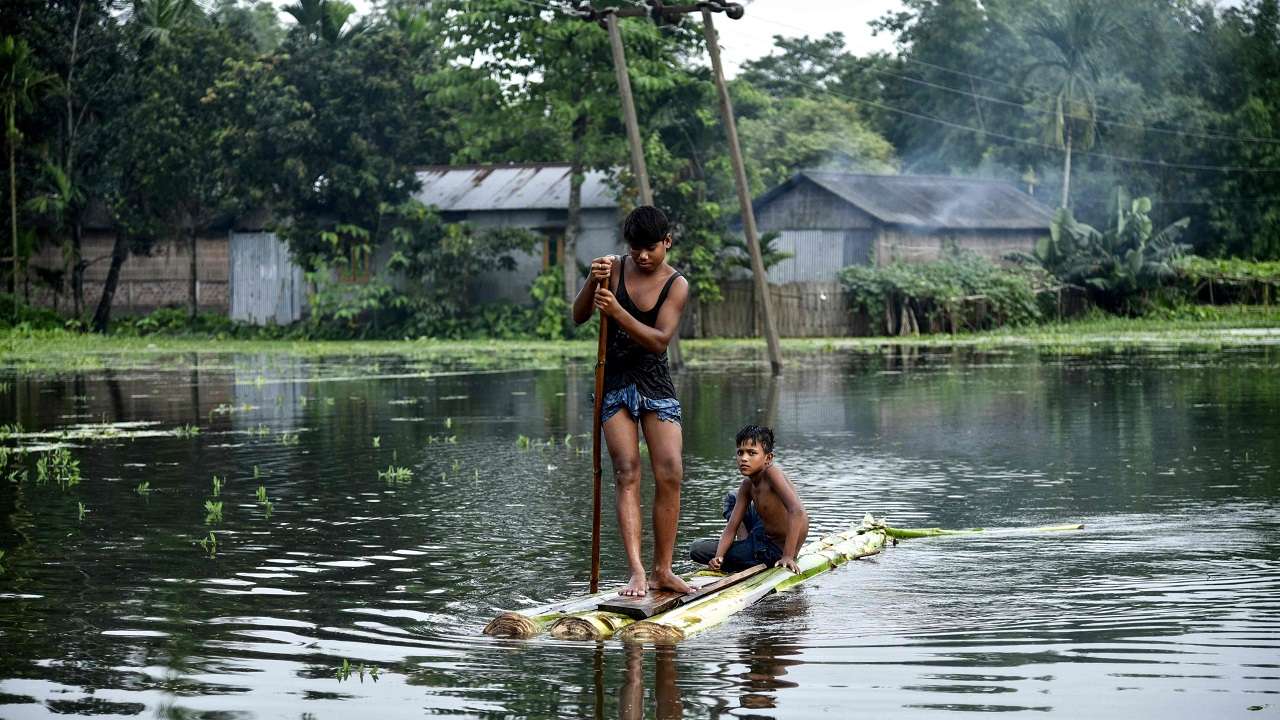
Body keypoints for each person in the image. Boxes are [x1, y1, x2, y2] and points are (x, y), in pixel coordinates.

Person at [572, 205, 692, 597]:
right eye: (635, 248)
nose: (642, 256)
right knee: (626, 472)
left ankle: (664, 570)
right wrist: (592, 282)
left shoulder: (677, 284)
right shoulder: (612, 268)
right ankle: (637, 573)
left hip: (655, 382)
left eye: (651, 249)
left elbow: (659, 341)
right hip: (615, 380)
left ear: (667, 243)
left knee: (670, 471)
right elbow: (579, 316)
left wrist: (619, 311)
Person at [689, 425, 809, 574]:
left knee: (698, 549)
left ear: (768, 458)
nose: (744, 458)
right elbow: (732, 526)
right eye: (740, 452)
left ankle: (746, 555)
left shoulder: (772, 474)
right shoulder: (747, 485)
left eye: (752, 453)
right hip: (761, 532)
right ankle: (744, 546)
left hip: (773, 549)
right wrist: (718, 557)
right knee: (732, 497)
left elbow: (796, 511)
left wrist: (788, 556)